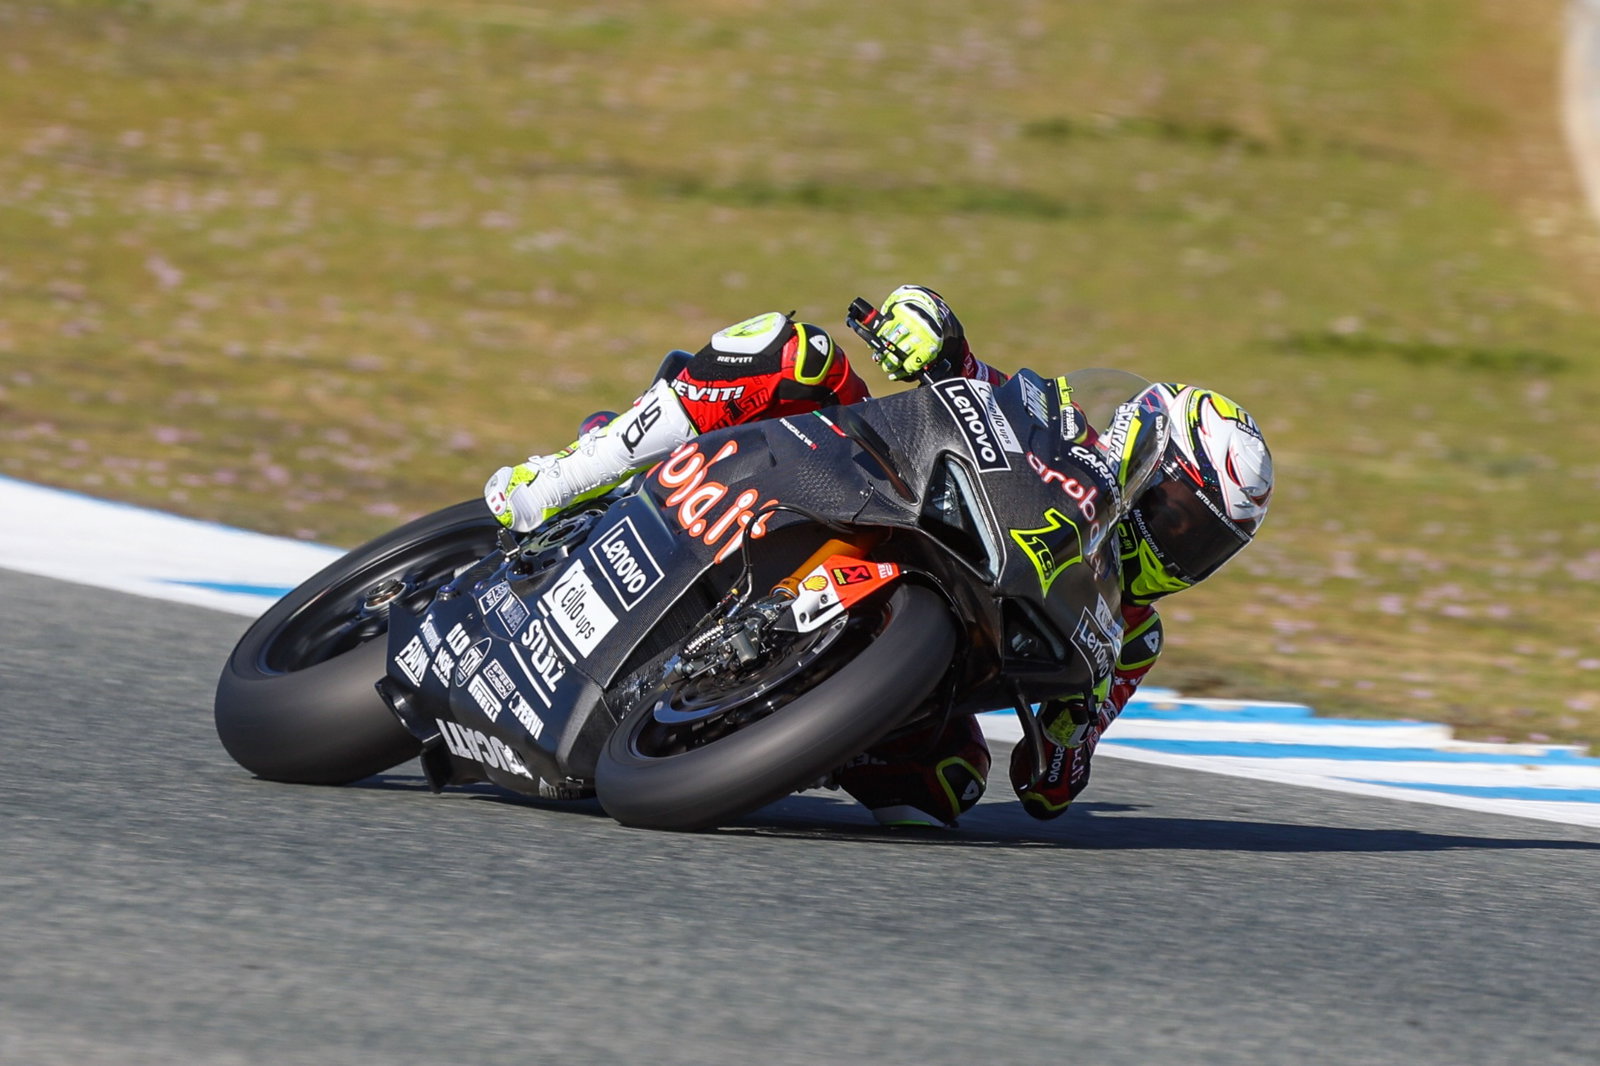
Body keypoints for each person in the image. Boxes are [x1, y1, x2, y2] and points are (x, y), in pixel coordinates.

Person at [484, 286, 1274, 827]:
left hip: (932, 642)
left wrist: (1070, 724)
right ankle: (565, 479)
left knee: (945, 789)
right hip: (874, 492)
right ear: (1143, 452)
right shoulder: (1064, 426)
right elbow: (975, 387)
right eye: (1175, 515)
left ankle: (759, 723)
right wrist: (929, 326)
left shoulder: (1130, 635)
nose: (1177, 545)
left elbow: (1049, 790)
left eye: (1203, 542)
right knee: (794, 352)